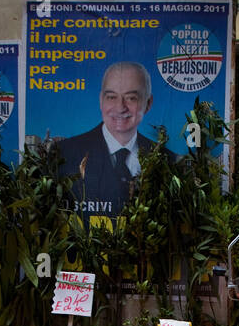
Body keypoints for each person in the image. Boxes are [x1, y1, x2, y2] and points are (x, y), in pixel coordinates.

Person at [55, 61, 172, 216]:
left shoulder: (168, 160)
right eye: (111, 97)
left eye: (131, 98)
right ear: (101, 100)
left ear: (148, 103)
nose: (120, 107)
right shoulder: (64, 154)